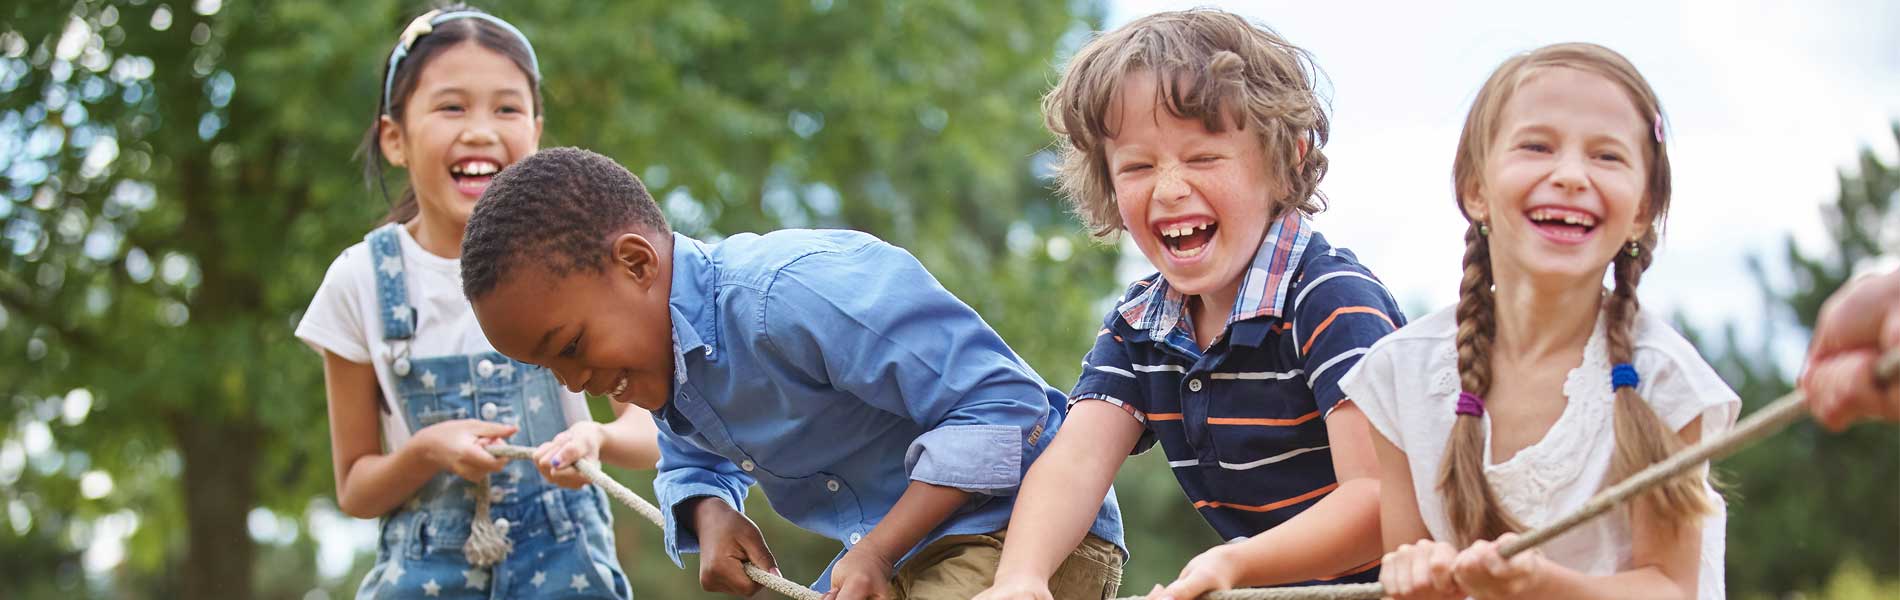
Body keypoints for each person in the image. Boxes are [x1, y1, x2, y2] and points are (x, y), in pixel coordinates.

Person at [459, 147, 1127, 599]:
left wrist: (880, 549)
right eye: (550, 369)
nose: (573, 382)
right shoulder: (669, 367)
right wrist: (711, 512)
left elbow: (1004, 405)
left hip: (1024, 531)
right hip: (903, 555)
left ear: (637, 265)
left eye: (571, 345)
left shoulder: (789, 294)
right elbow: (688, 458)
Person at [978, 9, 1405, 600]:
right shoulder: (1141, 327)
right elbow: (1074, 465)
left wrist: (1233, 566)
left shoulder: (1329, 301)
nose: (1170, 188)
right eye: (1138, 166)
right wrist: (1020, 578)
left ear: (1289, 159)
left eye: (1203, 158)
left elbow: (1380, 500)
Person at [1346, 43, 1737, 599]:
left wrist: (1540, 585)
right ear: (1476, 189)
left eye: (1607, 156)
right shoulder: (1400, 375)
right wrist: (1418, 574)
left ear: (1643, 210)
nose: (1572, 175)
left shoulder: (1664, 378)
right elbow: (1405, 568)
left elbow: (1670, 588)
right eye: (1537, 146)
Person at [295, 8, 656, 598]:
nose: (482, 131)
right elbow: (356, 488)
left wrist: (599, 440)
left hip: (568, 574)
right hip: (423, 577)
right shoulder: (357, 280)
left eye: (507, 108)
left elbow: (651, 430)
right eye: (452, 107)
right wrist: (426, 452)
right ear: (395, 138)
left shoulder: (581, 260)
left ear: (537, 131)